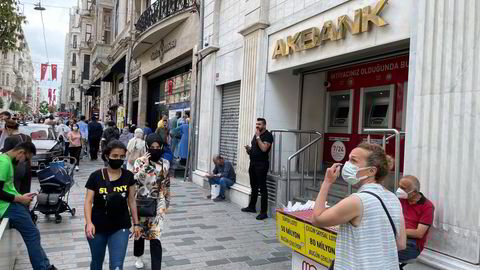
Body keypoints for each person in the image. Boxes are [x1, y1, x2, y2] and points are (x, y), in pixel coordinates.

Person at [311, 143, 406, 270]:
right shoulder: (394, 199)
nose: (346, 164)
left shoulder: (357, 201)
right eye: (348, 159)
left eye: (353, 161)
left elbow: (317, 219)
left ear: (372, 171)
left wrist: (327, 182)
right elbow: (400, 244)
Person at [84, 140, 140, 270]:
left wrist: (136, 224)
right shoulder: (96, 176)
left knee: (117, 266)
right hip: (97, 226)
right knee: (97, 263)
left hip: (120, 226)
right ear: (106, 156)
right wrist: (89, 223)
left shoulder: (128, 176)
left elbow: (131, 200)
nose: (118, 159)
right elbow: (88, 201)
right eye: (115, 156)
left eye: (121, 157)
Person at [0, 142, 58, 270]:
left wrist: (21, 196)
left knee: (34, 233)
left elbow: (7, 188)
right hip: (7, 206)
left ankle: (46, 266)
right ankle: (42, 268)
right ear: (21, 153)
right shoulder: (4, 163)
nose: (24, 162)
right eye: (26, 159)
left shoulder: (6, 160)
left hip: (11, 204)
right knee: (32, 234)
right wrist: (19, 198)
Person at [132, 133, 173, 270]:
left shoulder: (165, 163)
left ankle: (156, 267)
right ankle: (138, 256)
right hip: (142, 201)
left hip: (159, 203)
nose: (155, 149)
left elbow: (166, 183)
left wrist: (167, 201)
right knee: (141, 232)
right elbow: (137, 180)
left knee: (156, 235)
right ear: (147, 147)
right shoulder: (139, 162)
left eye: (157, 147)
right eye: (152, 147)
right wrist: (147, 166)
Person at [397, 175, 435, 264]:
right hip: (396, 238)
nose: (399, 190)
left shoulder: (427, 207)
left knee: (384, 254)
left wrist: (397, 230)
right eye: (399, 186)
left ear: (414, 192)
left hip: (411, 244)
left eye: (403, 188)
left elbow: (419, 233)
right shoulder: (400, 200)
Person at [241, 118, 273, 220]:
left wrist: (258, 137)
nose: (257, 126)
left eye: (259, 124)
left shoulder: (268, 135)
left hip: (262, 165)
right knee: (253, 186)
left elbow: (264, 148)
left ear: (264, 125)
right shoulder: (256, 135)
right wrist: (249, 150)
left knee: (262, 188)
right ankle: (252, 207)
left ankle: (264, 212)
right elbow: (255, 150)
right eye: (256, 124)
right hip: (253, 164)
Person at [1, 120, 33, 194]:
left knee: (16, 191)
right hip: (27, 167)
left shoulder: (9, 139)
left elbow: (6, 155)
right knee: (26, 191)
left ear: (8, 129)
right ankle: (25, 205)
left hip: (16, 168)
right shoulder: (27, 137)